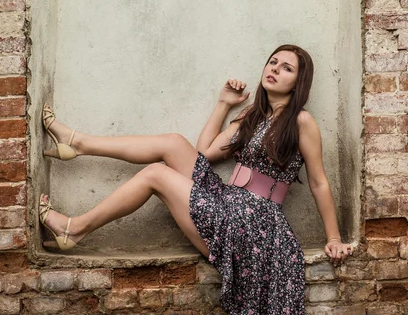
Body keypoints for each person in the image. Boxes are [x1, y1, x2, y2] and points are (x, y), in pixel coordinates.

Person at [39, 44, 353, 315]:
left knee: (156, 174)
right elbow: (204, 152)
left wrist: (333, 238)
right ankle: (79, 143)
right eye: (273, 62)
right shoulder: (252, 116)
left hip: (255, 226)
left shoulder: (301, 122)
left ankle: (76, 228)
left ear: (299, 83)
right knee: (174, 142)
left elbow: (319, 182)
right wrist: (224, 103)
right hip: (227, 202)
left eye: (287, 68)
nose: (275, 70)